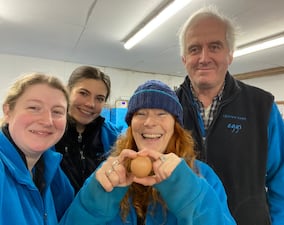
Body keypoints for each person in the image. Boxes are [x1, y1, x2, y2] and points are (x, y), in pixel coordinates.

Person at [175, 6, 284, 225]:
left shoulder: (262, 106)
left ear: (230, 54)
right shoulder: (165, 109)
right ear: (184, 58)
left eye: (214, 46)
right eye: (194, 49)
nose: (204, 57)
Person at [59, 80, 236, 225]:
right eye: (141, 114)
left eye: (161, 114)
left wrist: (188, 193)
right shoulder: (110, 173)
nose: (149, 122)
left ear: (175, 126)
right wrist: (95, 200)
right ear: (130, 124)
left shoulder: (201, 175)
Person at [0, 73, 74, 225]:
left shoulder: (48, 170)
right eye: (34, 108)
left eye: (57, 111)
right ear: (8, 111)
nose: (47, 121)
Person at [55, 65, 120, 193]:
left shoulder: (114, 138)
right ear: (67, 92)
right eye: (83, 93)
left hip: (96, 211)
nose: (90, 104)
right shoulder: (48, 131)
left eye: (99, 98)